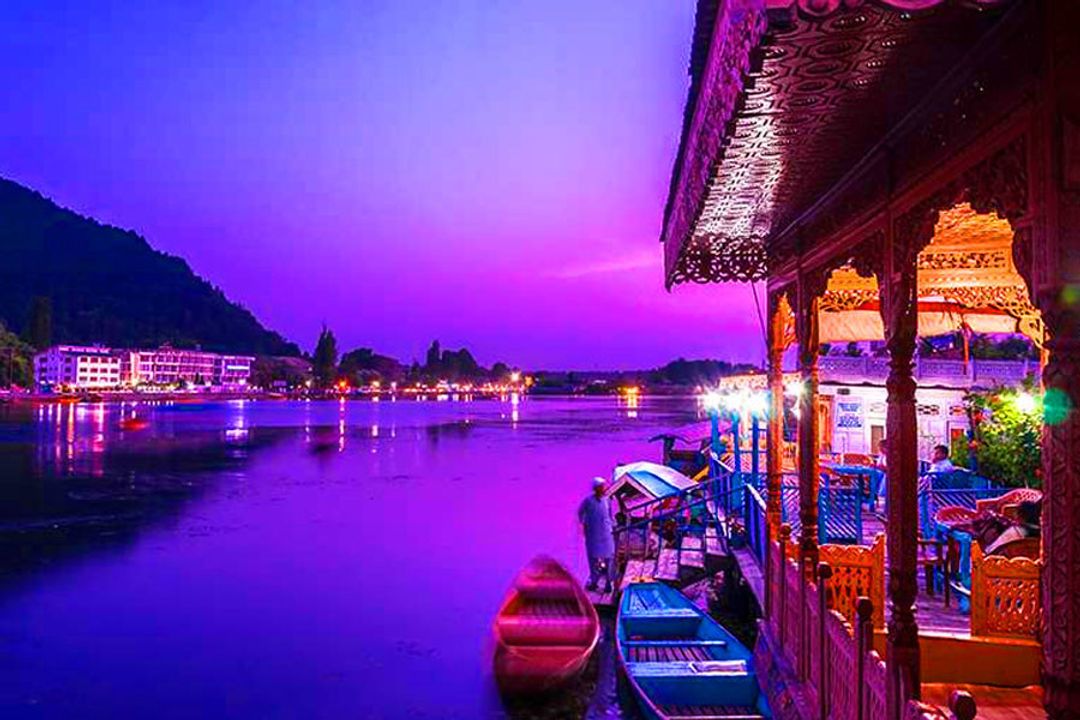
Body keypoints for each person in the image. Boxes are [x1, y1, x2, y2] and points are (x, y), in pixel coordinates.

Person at [578, 477, 615, 593]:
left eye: (604, 487)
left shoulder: (607, 500)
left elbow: (610, 516)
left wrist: (612, 527)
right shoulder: (588, 501)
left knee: (609, 558)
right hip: (593, 534)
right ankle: (594, 582)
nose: (604, 489)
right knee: (593, 559)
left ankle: (608, 583)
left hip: (606, 534)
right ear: (596, 489)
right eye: (602, 487)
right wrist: (585, 526)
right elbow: (580, 513)